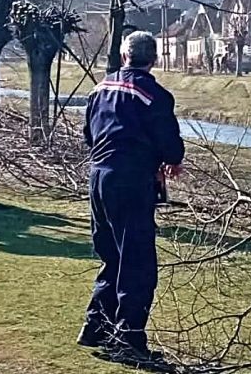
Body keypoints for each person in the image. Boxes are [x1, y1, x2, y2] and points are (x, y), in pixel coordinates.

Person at [77, 31, 185, 362]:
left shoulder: (99, 89)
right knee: (137, 262)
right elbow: (171, 147)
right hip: (131, 180)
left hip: (99, 177)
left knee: (111, 255)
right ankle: (128, 339)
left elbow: (88, 135)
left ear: (124, 56)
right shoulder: (154, 95)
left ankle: (97, 326)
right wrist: (169, 160)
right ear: (154, 60)